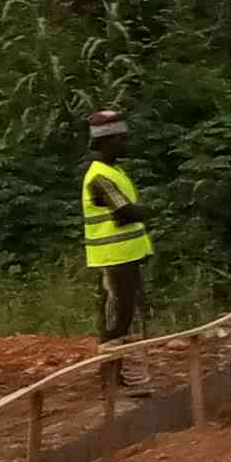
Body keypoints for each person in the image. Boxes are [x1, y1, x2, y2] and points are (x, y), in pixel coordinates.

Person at [82, 109, 152, 349]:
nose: (125, 143)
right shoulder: (99, 177)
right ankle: (111, 372)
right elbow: (125, 212)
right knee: (116, 318)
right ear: (104, 142)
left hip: (127, 254)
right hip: (114, 256)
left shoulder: (114, 172)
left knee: (127, 313)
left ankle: (124, 370)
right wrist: (147, 211)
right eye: (119, 139)